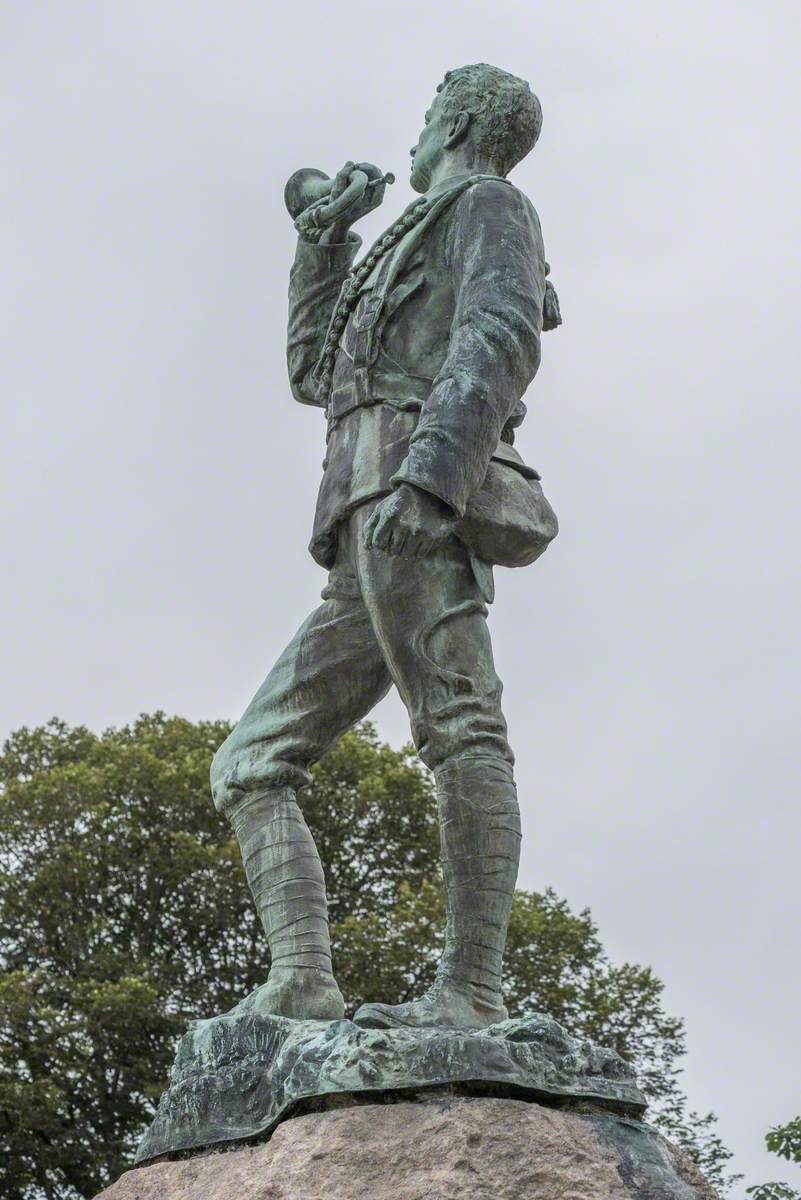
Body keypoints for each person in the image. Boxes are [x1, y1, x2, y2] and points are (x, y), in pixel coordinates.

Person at [210, 63, 559, 1029]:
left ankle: (471, 993)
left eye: (422, 117)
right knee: (248, 764)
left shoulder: (488, 202)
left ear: (454, 122)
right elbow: (313, 374)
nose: (410, 137)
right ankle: (304, 979)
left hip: (411, 494)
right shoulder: (406, 230)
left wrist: (432, 476)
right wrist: (325, 239)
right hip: (361, 512)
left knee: (459, 726)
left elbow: (499, 334)